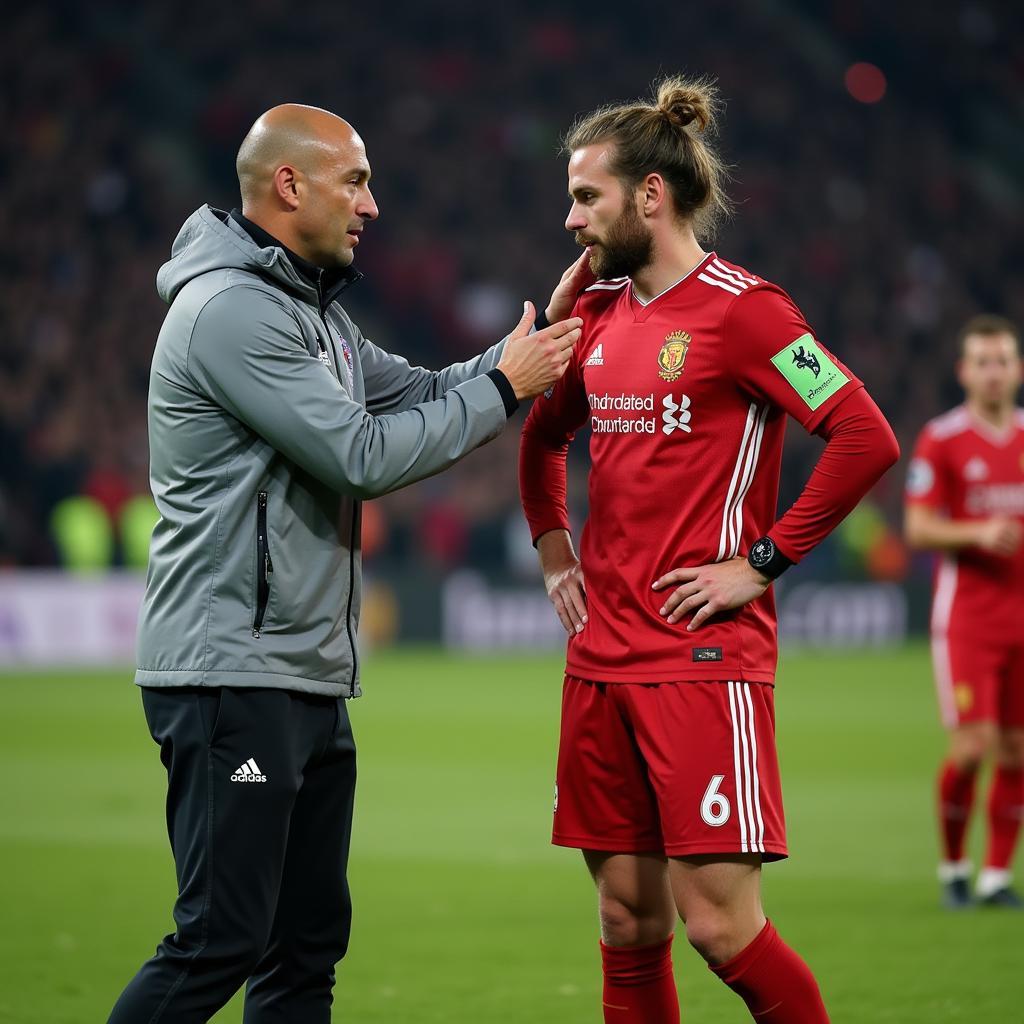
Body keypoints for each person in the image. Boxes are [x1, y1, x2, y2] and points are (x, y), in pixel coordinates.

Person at [107, 103, 582, 1024]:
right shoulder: (230, 312)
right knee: (217, 940)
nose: (372, 203)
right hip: (230, 675)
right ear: (290, 186)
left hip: (303, 677)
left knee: (304, 949)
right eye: (355, 180)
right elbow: (361, 455)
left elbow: (427, 391)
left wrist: (532, 350)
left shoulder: (308, 313)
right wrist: (503, 387)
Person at [519, 76, 899, 1024]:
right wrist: (555, 549)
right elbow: (541, 438)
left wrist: (763, 561)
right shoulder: (599, 314)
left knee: (721, 929)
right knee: (625, 919)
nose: (570, 218)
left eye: (585, 197)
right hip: (601, 659)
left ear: (651, 195)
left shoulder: (749, 311)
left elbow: (865, 434)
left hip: (702, 660)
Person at [904, 315, 1024, 910]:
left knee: (1017, 751)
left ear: (1018, 368)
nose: (994, 372)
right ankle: (954, 865)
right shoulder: (942, 439)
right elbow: (918, 526)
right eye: (982, 361)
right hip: (970, 620)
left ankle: (997, 876)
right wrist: (979, 533)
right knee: (972, 749)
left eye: (1002, 360)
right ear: (964, 372)